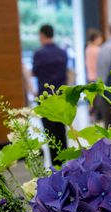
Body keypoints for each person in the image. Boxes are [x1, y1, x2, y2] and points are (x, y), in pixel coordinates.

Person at [32, 24, 68, 158]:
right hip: (60, 97)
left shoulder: (39, 54)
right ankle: (65, 162)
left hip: (45, 98)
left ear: (42, 35)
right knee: (61, 130)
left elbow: (35, 72)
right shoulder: (62, 52)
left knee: (50, 133)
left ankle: (55, 165)